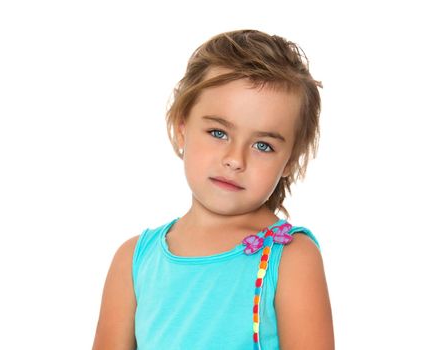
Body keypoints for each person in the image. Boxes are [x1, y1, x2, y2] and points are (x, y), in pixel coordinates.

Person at [92, 29, 334, 350]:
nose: (235, 159)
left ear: (289, 160)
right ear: (182, 128)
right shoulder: (133, 261)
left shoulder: (291, 258)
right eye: (218, 133)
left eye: (263, 145)